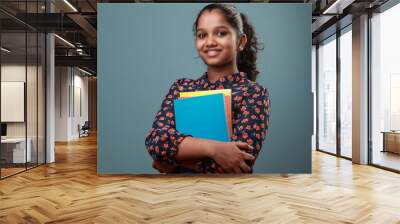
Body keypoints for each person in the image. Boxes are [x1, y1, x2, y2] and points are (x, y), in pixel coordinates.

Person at [145, 3, 270, 174]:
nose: (210, 42)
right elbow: (156, 140)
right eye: (202, 35)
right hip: (178, 194)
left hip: (228, 195)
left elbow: (238, 162)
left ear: (240, 42)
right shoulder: (181, 88)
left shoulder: (253, 93)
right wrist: (215, 149)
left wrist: (175, 162)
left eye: (221, 33)